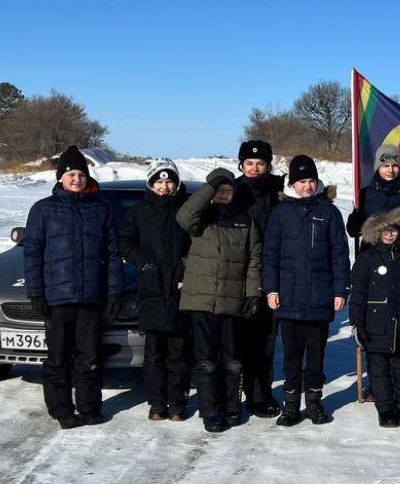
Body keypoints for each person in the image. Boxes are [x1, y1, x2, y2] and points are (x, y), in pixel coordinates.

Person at [23, 145, 123, 429]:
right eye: (70, 174)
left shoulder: (101, 210)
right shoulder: (43, 210)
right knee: (57, 359)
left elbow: (113, 254)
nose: (76, 178)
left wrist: (114, 291)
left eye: (80, 173)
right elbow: (32, 253)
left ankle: (90, 407)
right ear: (60, 178)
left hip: (92, 298)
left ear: (87, 177)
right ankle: (61, 410)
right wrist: (36, 293)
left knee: (90, 358)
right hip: (57, 300)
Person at [263, 154, 351, 427]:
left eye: (312, 180)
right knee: (291, 355)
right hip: (288, 296)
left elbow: (339, 253)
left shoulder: (329, 212)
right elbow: (270, 254)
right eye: (302, 181)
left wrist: (340, 290)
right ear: (293, 183)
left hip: (319, 296)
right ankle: (291, 406)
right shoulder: (281, 213)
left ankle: (314, 403)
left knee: (316, 355)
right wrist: (271, 289)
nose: (308, 186)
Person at [177, 167, 263, 433]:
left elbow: (254, 259)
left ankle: (232, 407)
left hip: (232, 301)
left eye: (228, 189)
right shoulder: (201, 219)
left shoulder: (245, 221)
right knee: (206, 361)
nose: (224, 194)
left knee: (233, 361)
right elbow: (183, 216)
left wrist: (252, 292)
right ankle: (211, 411)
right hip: (201, 302)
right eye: (219, 190)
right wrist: (210, 187)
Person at [119, 159, 193, 422]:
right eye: (159, 181)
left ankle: (177, 404)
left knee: (179, 354)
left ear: (176, 184)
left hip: (181, 291)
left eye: (169, 181)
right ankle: (157, 404)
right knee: (153, 355)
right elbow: (125, 242)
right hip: (151, 291)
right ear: (151, 184)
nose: (164, 186)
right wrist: (143, 261)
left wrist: (188, 261)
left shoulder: (185, 209)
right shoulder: (139, 211)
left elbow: (198, 239)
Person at [349, 207, 400, 428]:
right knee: (378, 370)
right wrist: (356, 323)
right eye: (384, 230)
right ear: (377, 232)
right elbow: (358, 293)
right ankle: (385, 408)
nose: (389, 234)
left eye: (394, 230)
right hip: (376, 324)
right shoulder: (366, 258)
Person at [231, 140, 285, 419]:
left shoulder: (279, 192)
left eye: (260, 163)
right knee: (238, 342)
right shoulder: (232, 191)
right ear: (241, 165)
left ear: (267, 165)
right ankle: (233, 396)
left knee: (265, 341)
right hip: (237, 277)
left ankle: (261, 395)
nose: (254, 168)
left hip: (270, 275)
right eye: (249, 163)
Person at [346, 144, 400, 258]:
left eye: (394, 165)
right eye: (385, 165)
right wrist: (354, 221)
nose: (390, 170)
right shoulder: (365, 194)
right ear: (378, 167)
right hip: (371, 262)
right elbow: (353, 231)